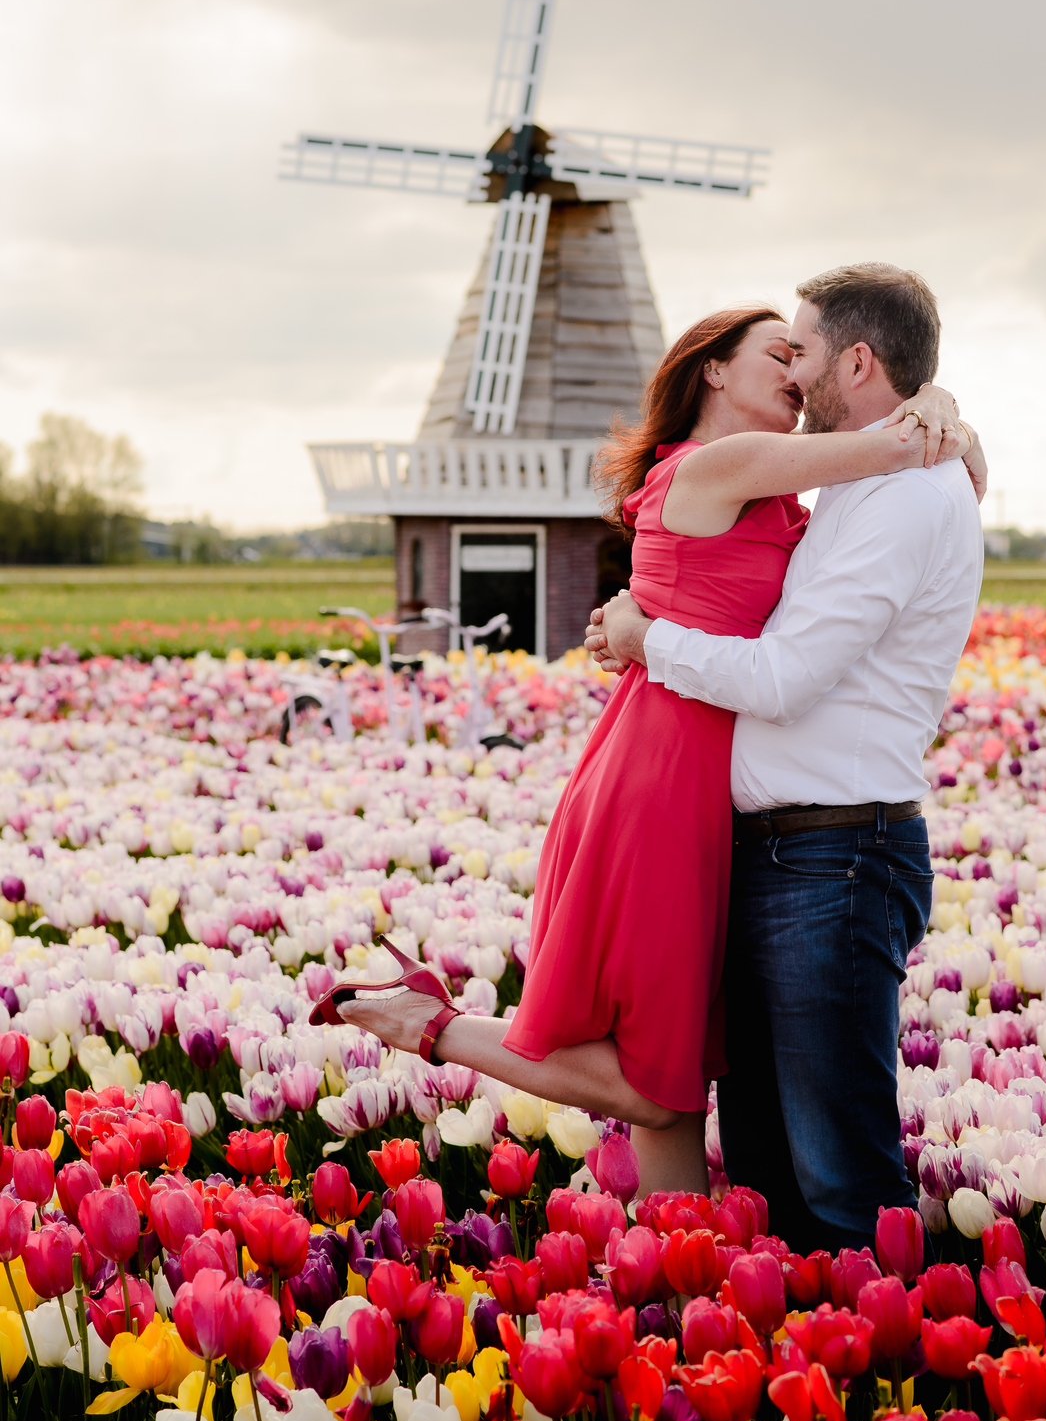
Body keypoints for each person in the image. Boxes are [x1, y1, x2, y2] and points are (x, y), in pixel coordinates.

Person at [337, 294, 979, 1198]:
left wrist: (940, 409)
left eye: (805, 355)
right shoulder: (730, 463)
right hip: (668, 776)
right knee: (654, 1073)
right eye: (778, 354)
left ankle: (680, 1298)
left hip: (705, 782)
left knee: (675, 1082)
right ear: (713, 368)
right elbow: (901, 446)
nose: (796, 374)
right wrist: (938, 413)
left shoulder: (781, 489)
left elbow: (908, 469)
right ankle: (434, 1028)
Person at [585, 263, 986, 1245]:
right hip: (773, 855)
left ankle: (898, 1383)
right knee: (765, 1169)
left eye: (800, 350)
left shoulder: (904, 494)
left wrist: (648, 641)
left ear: (854, 359)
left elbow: (784, 677)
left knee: (839, 1173)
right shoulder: (849, 483)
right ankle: (801, 1369)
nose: (794, 373)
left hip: (837, 857)